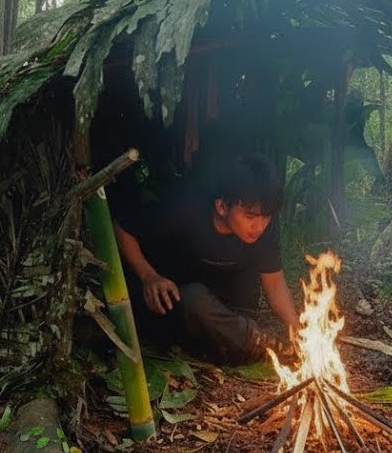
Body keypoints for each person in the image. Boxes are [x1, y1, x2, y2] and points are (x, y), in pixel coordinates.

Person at [112, 154, 300, 364]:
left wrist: (298, 330)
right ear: (221, 207)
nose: (259, 226)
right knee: (195, 299)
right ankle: (259, 347)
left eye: (266, 217)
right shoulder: (188, 210)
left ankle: (240, 345)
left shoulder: (265, 229)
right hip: (178, 305)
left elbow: (274, 284)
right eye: (250, 216)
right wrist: (149, 276)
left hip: (227, 313)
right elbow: (122, 227)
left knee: (230, 317)